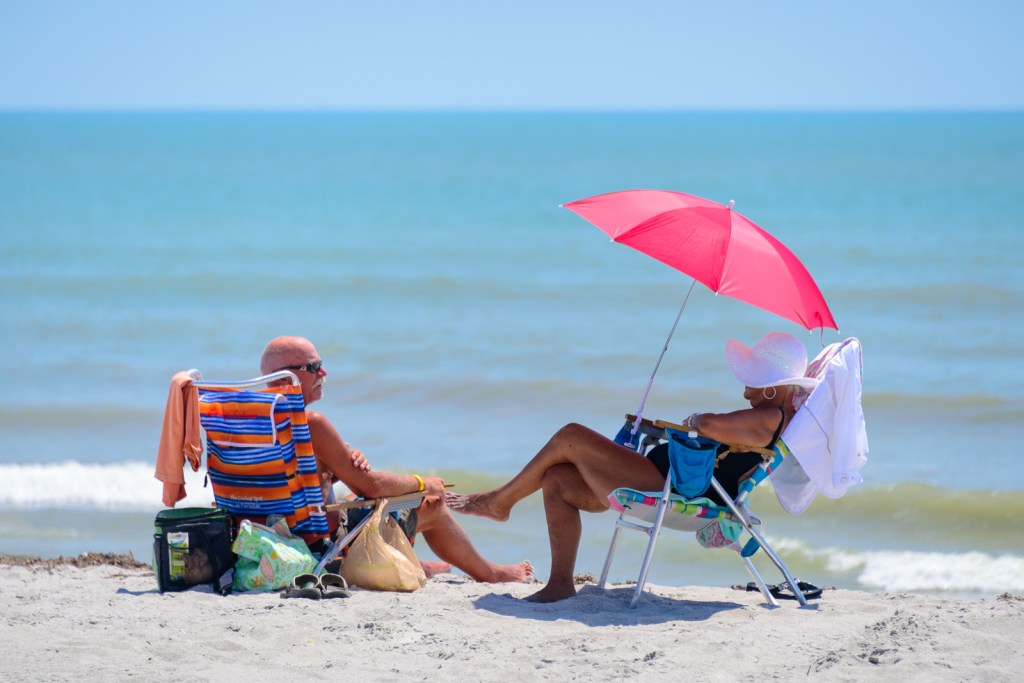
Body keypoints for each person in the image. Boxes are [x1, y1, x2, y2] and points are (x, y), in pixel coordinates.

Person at [447, 331, 819, 602]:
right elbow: (718, 438)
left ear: (773, 388)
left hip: (670, 488)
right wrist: (657, 428)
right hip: (662, 478)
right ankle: (560, 582)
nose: (745, 389)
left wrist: (697, 418)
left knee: (570, 435)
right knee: (558, 478)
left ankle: (500, 503)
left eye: (752, 382)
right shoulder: (769, 416)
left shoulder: (769, 417)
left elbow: (708, 426)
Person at [261, 336, 533, 584]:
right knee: (433, 505)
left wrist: (330, 466)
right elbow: (371, 487)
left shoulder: (240, 420)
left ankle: (420, 565)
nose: (323, 372)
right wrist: (423, 483)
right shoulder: (312, 425)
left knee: (347, 503)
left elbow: (281, 480)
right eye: (313, 366)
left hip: (264, 540)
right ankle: (492, 573)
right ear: (285, 377)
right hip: (320, 547)